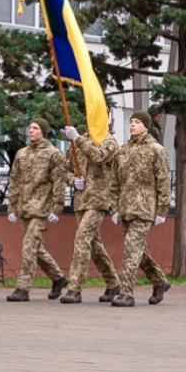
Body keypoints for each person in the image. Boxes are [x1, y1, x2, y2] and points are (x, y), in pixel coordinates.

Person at [110, 111, 172, 307]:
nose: (133, 125)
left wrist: (162, 209)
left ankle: (127, 293)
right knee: (139, 250)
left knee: (131, 249)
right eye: (131, 122)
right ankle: (159, 281)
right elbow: (114, 182)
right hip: (127, 207)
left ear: (146, 126)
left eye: (137, 122)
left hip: (146, 208)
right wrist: (115, 207)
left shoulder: (156, 150)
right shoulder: (121, 151)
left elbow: (163, 181)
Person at [5, 119, 69, 302]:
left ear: (44, 132)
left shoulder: (53, 154)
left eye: (35, 128)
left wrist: (57, 208)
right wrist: (12, 205)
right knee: (35, 248)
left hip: (41, 208)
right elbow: (14, 180)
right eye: (30, 128)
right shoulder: (22, 154)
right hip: (25, 207)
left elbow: (59, 182)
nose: (31, 131)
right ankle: (59, 278)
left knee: (28, 247)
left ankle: (23, 288)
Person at [61, 121, 120, 303]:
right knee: (93, 244)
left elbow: (98, 157)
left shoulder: (109, 141)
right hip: (81, 200)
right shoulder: (77, 140)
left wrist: (77, 138)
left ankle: (75, 288)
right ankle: (113, 282)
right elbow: (65, 168)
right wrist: (72, 180)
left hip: (99, 199)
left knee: (82, 237)